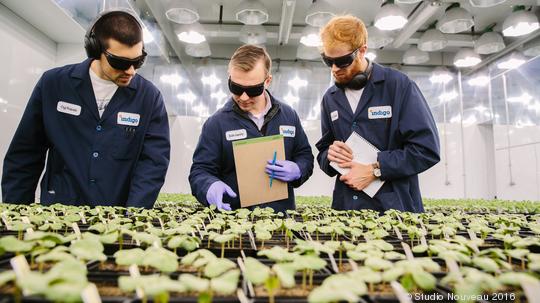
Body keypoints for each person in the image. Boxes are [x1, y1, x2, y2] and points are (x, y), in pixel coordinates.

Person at [1, 10, 170, 208]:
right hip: (59, 216)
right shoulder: (54, 85)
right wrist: (16, 215)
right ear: (96, 49)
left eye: (138, 61)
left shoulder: (149, 98)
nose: (130, 71)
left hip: (116, 220)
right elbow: (25, 155)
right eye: (120, 62)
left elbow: (153, 165)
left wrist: (134, 218)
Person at [316, 15, 440, 212]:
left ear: (362, 51)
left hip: (395, 209)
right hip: (346, 208)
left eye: (341, 61)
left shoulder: (398, 86)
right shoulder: (330, 98)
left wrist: (376, 170)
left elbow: (426, 150)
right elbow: (324, 150)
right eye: (328, 61)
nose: (334, 69)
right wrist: (329, 155)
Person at [189, 44, 314, 213]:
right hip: (234, 222)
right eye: (236, 88)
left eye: (253, 90)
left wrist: (299, 169)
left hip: (280, 221)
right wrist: (209, 186)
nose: (243, 97)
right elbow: (200, 171)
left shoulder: (288, 116)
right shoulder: (216, 124)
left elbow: (305, 155)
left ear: (267, 81)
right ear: (229, 78)